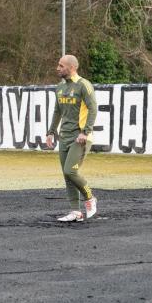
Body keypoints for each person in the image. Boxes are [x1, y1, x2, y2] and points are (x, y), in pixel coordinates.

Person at [46, 54, 98, 222]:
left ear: (72, 68)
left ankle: (90, 198)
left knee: (71, 170)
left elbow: (93, 109)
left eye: (61, 66)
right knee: (66, 175)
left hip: (81, 137)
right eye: (58, 65)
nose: (57, 68)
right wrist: (51, 132)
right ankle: (75, 212)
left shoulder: (84, 85)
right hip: (64, 137)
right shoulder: (60, 88)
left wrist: (85, 131)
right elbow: (57, 112)